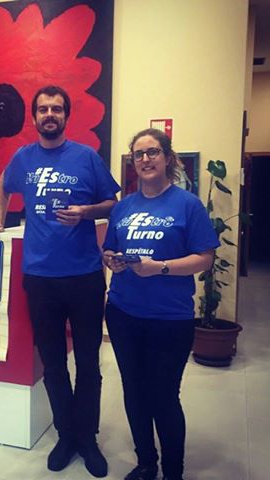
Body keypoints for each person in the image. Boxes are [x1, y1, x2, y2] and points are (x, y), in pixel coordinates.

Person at [0, 85, 120, 478]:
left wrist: (86, 211)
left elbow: (113, 202)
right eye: (43, 109)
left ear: (66, 116)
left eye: (56, 109)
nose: (49, 115)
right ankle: (66, 435)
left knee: (88, 363)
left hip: (85, 277)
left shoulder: (86, 156)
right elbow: (4, 183)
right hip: (41, 279)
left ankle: (87, 438)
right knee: (54, 364)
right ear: (34, 116)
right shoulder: (23, 158)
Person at [102, 128, 219, 480]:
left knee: (164, 396)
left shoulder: (187, 204)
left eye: (152, 152)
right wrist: (113, 260)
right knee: (134, 391)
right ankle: (146, 463)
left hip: (169, 319)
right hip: (123, 313)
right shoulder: (123, 207)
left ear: (167, 158)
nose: (145, 159)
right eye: (138, 154)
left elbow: (205, 258)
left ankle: (172, 472)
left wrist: (161, 267)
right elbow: (110, 248)